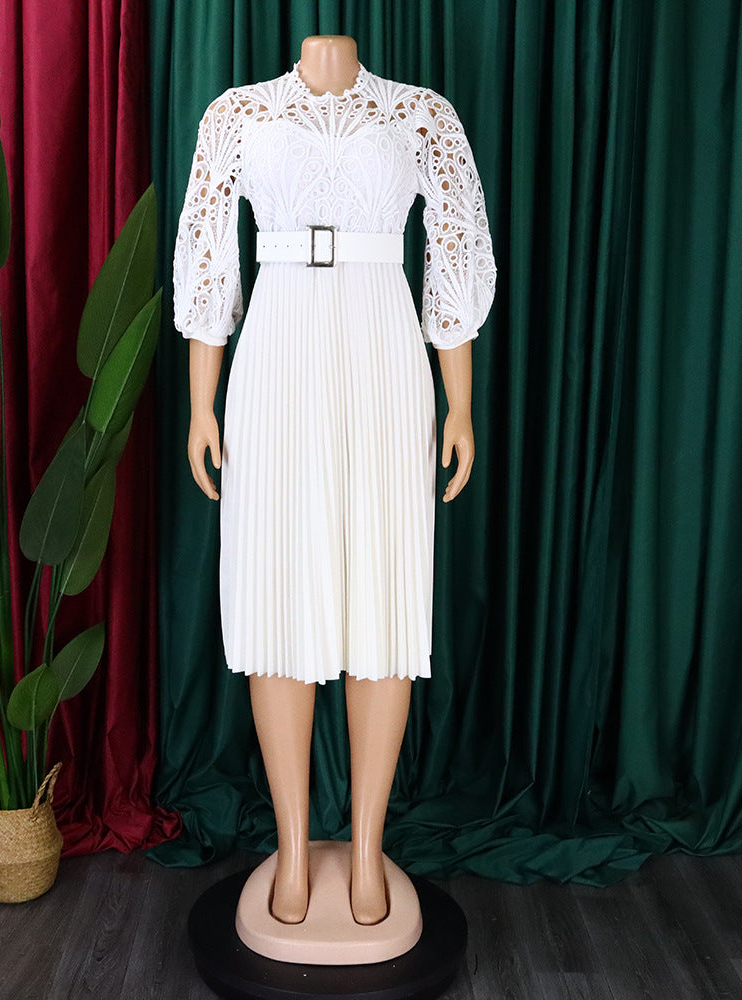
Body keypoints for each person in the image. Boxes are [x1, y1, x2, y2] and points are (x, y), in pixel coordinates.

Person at [174, 34, 495, 926]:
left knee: (382, 601)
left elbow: (453, 255)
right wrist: (202, 406)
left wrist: (459, 406)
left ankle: (364, 849)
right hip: (275, 353)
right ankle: (289, 847)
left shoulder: (422, 115)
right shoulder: (236, 115)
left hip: (384, 353)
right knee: (279, 595)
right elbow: (210, 262)